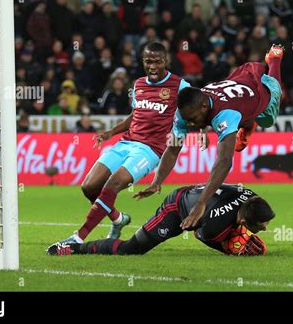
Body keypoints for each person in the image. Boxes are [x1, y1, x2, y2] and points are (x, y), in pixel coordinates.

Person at [50, 42, 190, 247]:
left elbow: (196, 107)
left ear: (165, 61)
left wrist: (202, 131)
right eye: (148, 61)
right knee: (89, 187)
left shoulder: (180, 86)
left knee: (112, 185)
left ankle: (77, 237)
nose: (152, 66)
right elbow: (135, 116)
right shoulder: (139, 84)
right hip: (126, 143)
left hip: (149, 150)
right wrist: (110, 133)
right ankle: (118, 219)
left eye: (157, 62)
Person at [135, 45, 284, 230]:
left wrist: (201, 202)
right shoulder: (187, 110)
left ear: (204, 108)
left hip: (260, 87)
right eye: (187, 120)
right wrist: (157, 182)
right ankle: (246, 125)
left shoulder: (225, 115)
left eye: (193, 120)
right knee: (238, 116)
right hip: (239, 85)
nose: (190, 124)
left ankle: (274, 61)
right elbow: (173, 149)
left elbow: (224, 162)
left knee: (269, 117)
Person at [47, 184, 275, 257]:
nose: (264, 228)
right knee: (131, 249)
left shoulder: (251, 196)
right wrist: (229, 248)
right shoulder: (217, 223)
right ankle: (74, 248)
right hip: (176, 209)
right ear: (244, 220)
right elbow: (200, 233)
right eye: (261, 226)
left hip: (195, 197)